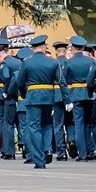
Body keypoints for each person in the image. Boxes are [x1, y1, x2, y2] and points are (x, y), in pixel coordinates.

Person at [14, 35, 59, 169]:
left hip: (33, 97)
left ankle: (39, 159)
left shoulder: (27, 63)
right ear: (44, 47)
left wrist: (23, 94)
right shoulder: (53, 62)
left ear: (32, 48)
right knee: (47, 124)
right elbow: (59, 80)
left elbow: (20, 82)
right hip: (49, 97)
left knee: (34, 127)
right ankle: (47, 149)